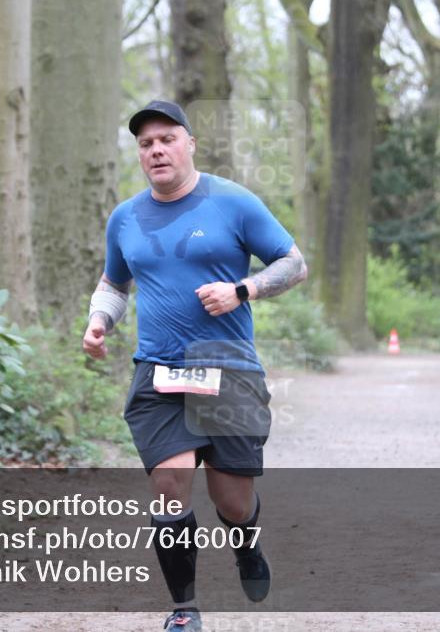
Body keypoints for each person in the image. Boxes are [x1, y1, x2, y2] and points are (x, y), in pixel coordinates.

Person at [82, 100, 307, 632]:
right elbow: (115, 283)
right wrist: (98, 322)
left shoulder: (233, 202)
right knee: (171, 482)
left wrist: (242, 290)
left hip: (227, 367)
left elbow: (293, 263)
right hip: (158, 371)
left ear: (189, 144)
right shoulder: (126, 217)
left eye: (167, 139)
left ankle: (246, 546)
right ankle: (184, 610)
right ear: (138, 153)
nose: (156, 150)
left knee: (232, 500)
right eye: (145, 143)